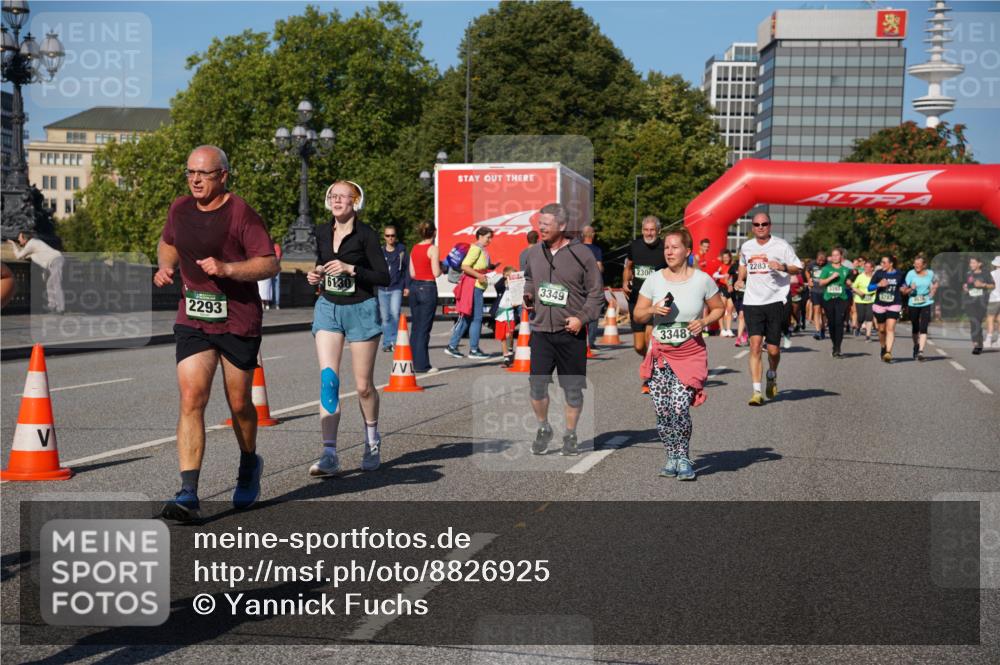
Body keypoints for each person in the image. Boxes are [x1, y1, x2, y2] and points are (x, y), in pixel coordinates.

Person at [154, 145, 279, 520]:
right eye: (190, 172)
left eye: (203, 173)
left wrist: (228, 269)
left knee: (239, 404)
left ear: (222, 176)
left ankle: (249, 462)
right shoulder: (180, 208)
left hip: (237, 319)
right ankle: (188, 493)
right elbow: (168, 242)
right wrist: (166, 267)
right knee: (192, 396)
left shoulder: (241, 213)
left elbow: (269, 264)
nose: (195, 180)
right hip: (193, 316)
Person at [305, 180, 389, 477]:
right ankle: (329, 454)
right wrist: (316, 273)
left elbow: (384, 277)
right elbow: (321, 263)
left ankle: (372, 441)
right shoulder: (321, 231)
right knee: (329, 381)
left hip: (361, 310)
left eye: (343, 196)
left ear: (356, 201)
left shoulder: (367, 235)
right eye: (333, 196)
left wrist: (351, 268)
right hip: (328, 308)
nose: (337, 200)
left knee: (363, 386)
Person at [633, 229, 724, 481]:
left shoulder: (702, 280)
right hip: (661, 355)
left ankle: (683, 457)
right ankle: (671, 456)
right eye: (666, 248)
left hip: (690, 354)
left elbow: (719, 308)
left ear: (687, 251)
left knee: (680, 407)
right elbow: (638, 314)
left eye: (674, 247)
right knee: (663, 411)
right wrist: (652, 309)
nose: (669, 252)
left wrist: (703, 322)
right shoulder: (654, 280)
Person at [522, 203, 604, 456]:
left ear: (562, 225)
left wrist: (582, 319)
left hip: (571, 333)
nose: (541, 228)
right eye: (540, 224)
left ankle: (570, 433)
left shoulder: (582, 254)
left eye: (546, 224)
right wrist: (528, 295)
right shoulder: (534, 253)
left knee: (572, 390)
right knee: (537, 386)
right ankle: (543, 427)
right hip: (541, 332)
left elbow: (597, 293)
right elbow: (529, 279)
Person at [734, 212, 802, 406]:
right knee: (755, 345)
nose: (760, 227)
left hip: (775, 301)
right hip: (752, 302)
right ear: (753, 227)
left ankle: (772, 374)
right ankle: (756, 391)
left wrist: (782, 267)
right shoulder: (747, 246)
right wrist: (740, 279)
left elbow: (798, 267)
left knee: (772, 350)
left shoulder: (781, 245)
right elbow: (743, 264)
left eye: (764, 224)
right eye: (756, 224)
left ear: (770, 225)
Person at [623, 216, 667, 391]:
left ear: (658, 231)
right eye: (646, 230)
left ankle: (650, 377)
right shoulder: (634, 246)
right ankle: (649, 359)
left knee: (650, 338)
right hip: (636, 299)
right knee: (639, 346)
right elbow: (628, 266)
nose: (649, 233)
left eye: (652, 230)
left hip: (656, 300)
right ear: (642, 231)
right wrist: (625, 282)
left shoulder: (665, 247)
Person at [445, 227, 494, 360]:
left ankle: (453, 346)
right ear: (480, 236)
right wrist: (479, 275)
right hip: (473, 286)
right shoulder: (476, 249)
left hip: (475, 286)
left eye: (490, 238)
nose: (489, 240)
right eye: (488, 237)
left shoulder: (481, 250)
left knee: (467, 317)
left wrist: (490, 268)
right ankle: (473, 349)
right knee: (476, 318)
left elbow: (476, 266)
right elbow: (465, 266)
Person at [408, 221, 441, 374]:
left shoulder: (415, 248)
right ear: (434, 232)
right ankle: (422, 365)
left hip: (414, 287)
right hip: (428, 287)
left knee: (416, 327)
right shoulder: (433, 248)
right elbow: (436, 272)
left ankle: (412, 361)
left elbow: (412, 273)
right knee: (424, 328)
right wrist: (442, 267)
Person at [8, 231, 65, 314]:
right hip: (54, 261)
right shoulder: (34, 244)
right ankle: (52, 306)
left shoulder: (31, 244)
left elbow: (19, 256)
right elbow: (42, 258)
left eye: (19, 238)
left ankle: (60, 308)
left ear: (25, 239)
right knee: (50, 284)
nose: (18, 239)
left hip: (56, 260)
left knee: (56, 284)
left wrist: (13, 244)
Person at [377, 225, 410, 353]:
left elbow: (407, 269)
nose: (390, 238)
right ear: (384, 237)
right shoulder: (380, 252)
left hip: (396, 287)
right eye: (388, 235)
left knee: (395, 313)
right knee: (385, 317)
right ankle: (387, 343)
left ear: (396, 237)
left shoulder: (401, 251)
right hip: (382, 288)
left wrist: (407, 286)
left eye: (392, 235)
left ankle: (396, 341)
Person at [817, 247, 854, 358]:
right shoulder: (826, 269)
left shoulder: (846, 270)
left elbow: (849, 282)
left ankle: (838, 348)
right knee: (832, 323)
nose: (835, 257)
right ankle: (834, 345)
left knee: (839, 323)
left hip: (841, 298)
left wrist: (850, 283)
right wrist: (831, 278)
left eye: (837, 255)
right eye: (833, 255)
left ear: (841, 256)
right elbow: (821, 283)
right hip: (828, 298)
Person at [869, 254, 906, 363]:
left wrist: (904, 288)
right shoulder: (878, 273)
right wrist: (879, 285)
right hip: (880, 304)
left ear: (891, 264)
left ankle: (888, 352)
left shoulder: (899, 274)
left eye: (884, 262)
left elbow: (903, 285)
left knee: (890, 329)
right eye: (881, 262)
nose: (882, 264)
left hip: (894, 304)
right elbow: (869, 288)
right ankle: (883, 347)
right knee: (881, 330)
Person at [903, 254, 938, 361]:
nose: (916, 266)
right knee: (915, 327)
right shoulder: (910, 274)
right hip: (913, 303)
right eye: (915, 264)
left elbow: (936, 283)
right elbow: (904, 290)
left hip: (926, 302)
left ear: (924, 265)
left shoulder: (930, 273)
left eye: (919, 264)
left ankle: (921, 351)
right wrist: (911, 289)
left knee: (924, 327)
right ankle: (916, 346)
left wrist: (933, 291)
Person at [962, 256, 995, 355]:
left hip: (982, 301)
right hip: (970, 301)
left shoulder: (986, 273)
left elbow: (993, 285)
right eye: (970, 263)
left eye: (973, 262)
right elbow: (965, 285)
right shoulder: (968, 274)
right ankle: (976, 344)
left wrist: (983, 285)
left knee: (978, 322)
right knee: (973, 321)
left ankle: (979, 343)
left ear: (979, 264)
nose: (971, 264)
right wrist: (965, 288)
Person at [581, 225, 605, 349]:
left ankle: (580, 340)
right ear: (593, 235)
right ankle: (590, 341)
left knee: (580, 310)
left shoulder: (577, 249)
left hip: (579, 285)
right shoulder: (596, 250)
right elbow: (599, 267)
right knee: (594, 312)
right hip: (593, 285)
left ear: (582, 236)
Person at [494, 266, 518, 366]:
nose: (510, 278)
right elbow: (497, 286)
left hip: (510, 315)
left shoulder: (515, 287)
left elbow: (517, 300)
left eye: (512, 276)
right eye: (508, 276)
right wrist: (505, 280)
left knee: (509, 335)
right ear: (504, 275)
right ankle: (506, 357)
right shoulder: (501, 286)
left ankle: (510, 350)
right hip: (500, 315)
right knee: (503, 338)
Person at [851, 260, 876, 342]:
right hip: (860, 299)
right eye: (865, 267)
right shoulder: (860, 276)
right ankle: (858, 328)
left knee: (869, 317)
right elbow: (854, 287)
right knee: (861, 317)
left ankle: (868, 336)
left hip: (871, 299)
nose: (866, 268)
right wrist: (859, 292)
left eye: (868, 267)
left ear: (872, 268)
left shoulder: (875, 277)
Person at [711, 250, 735, 337]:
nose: (725, 259)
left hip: (731, 289)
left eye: (727, 257)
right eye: (724, 257)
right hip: (723, 288)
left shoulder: (733, 266)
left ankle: (728, 329)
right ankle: (722, 330)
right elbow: (714, 275)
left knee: (730, 310)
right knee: (722, 310)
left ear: (730, 257)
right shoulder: (721, 266)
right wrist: (723, 276)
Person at [805, 251, 827, 339]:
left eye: (823, 261)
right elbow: (807, 271)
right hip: (815, 290)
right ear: (816, 258)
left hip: (825, 291)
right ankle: (818, 331)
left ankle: (823, 328)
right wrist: (809, 279)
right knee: (816, 309)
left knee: (824, 312)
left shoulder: (828, 265)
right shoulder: (812, 264)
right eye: (819, 261)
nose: (821, 263)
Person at [987, 256, 1000, 348]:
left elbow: (990, 285)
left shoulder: (992, 273)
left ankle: (989, 339)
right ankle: (999, 340)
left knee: (990, 318)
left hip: (994, 298)